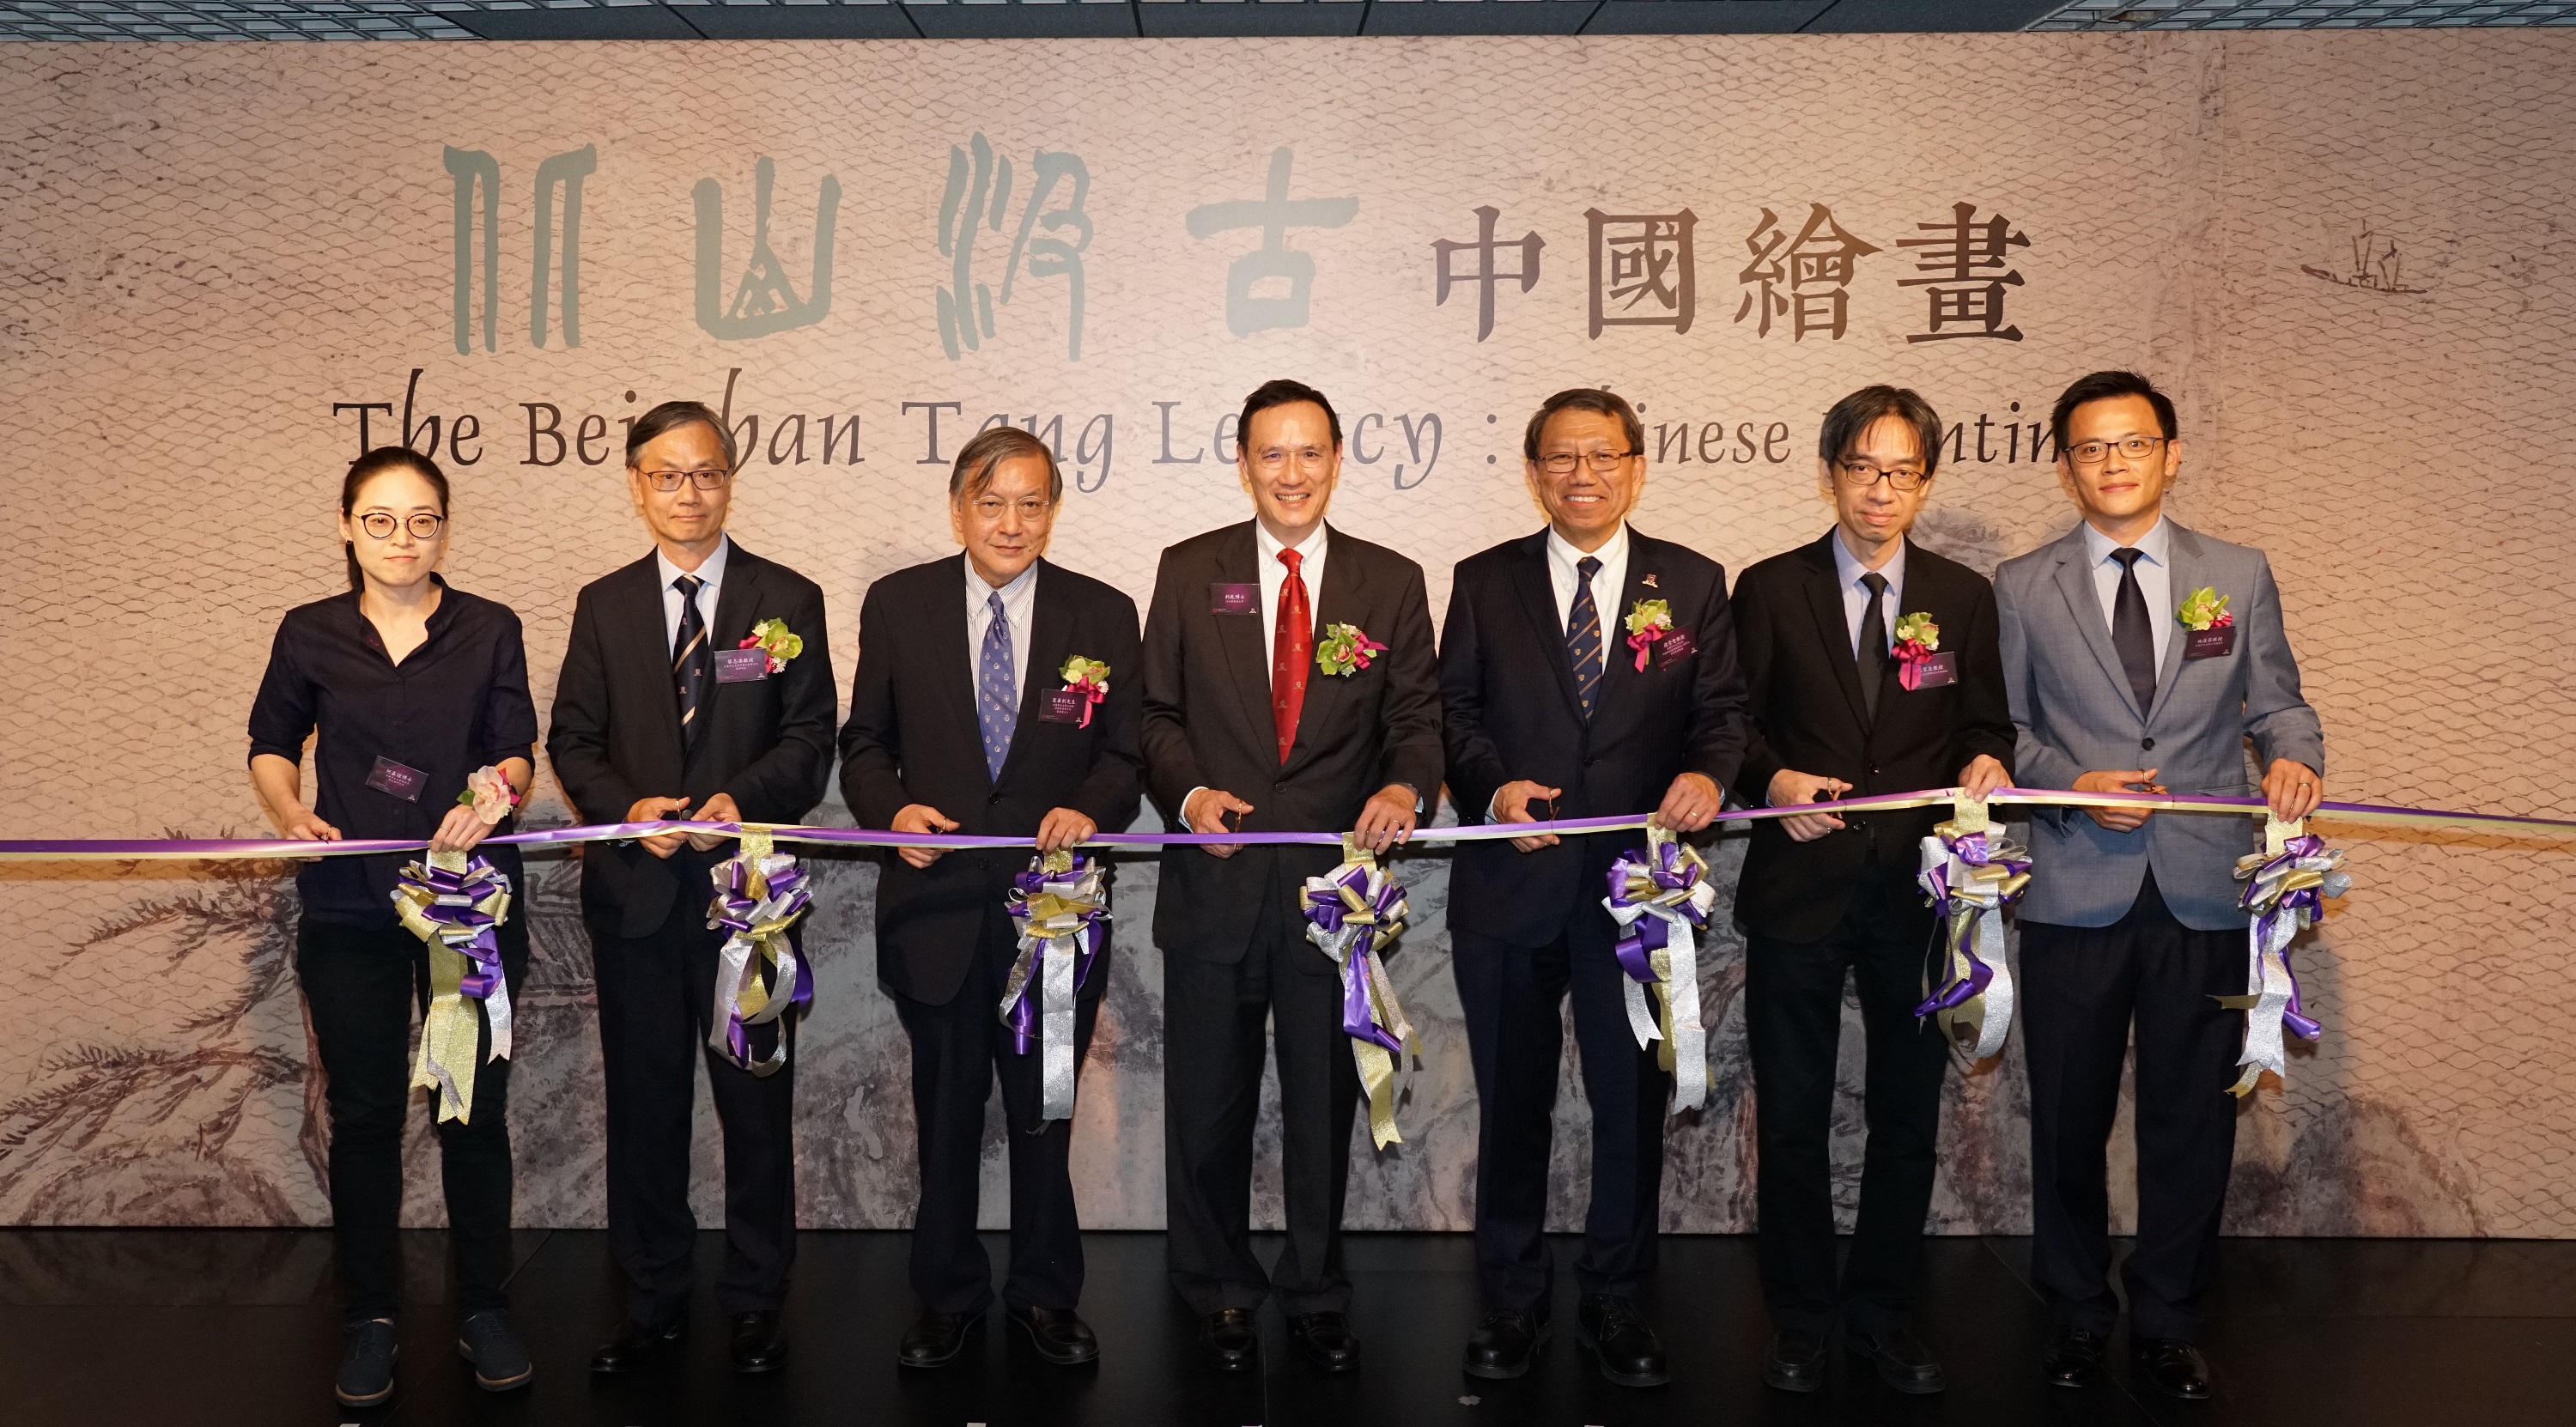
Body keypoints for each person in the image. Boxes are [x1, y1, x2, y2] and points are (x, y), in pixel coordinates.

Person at [1996, 370, 2324, 1400]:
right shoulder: (2019, 584)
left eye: (2133, 445)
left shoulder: (2236, 569)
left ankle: (2172, 1317)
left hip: (2202, 886)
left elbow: (2280, 702)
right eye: (2091, 449)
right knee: (2068, 1116)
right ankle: (2078, 1314)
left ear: (2170, 456)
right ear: (2065, 466)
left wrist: (2295, 757)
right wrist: (2070, 783)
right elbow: (1999, 735)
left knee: (2194, 1113)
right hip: (2073, 886)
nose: (2113, 464)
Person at [1437, 387, 1748, 1387]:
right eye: (1562, 457)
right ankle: (1514, 1304)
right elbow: (1454, 713)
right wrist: (1491, 788)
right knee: (1514, 1104)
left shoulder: (1693, 583)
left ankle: (1617, 1303)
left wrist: (1709, 775)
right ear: (1534, 472)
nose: (1583, 473)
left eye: (1603, 456)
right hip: (1510, 885)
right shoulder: (1484, 582)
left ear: (1635, 466)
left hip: (1634, 892)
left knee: (1630, 1105)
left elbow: (1722, 713)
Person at [1140, 379, 1443, 1375]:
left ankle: (1316, 1290)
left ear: (1338, 459)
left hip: (1332, 898)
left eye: (1309, 452)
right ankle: (1217, 1286)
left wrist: (1404, 786)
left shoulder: (1388, 582)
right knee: (1208, 1110)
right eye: (1272, 454)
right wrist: (1187, 799)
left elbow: (1415, 722)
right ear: (1242, 462)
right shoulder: (1189, 572)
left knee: (1323, 1108)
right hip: (1215, 888)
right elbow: (1155, 717)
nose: (1292, 473)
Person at [1726, 386, 2015, 1395]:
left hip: (1914, 897)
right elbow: (1732, 732)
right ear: (1830, 471)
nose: (1879, 491)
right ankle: (1802, 1317)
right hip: (1798, 888)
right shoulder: (1767, 589)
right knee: (1795, 1117)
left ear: (1926, 480)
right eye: (1861, 468)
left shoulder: (1962, 597)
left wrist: (1987, 767)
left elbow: (1989, 726)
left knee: (1906, 1115)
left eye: (1900, 472)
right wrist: (1771, 784)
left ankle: (1886, 1313)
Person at [838, 426, 1143, 1370]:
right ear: (959, 507)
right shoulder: (900, 604)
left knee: (1044, 1113)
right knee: (947, 1112)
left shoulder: (1103, 611)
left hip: (1051, 914)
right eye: (991, 501)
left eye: (1032, 502)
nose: (1012, 522)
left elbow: (1125, 757)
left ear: (1054, 508)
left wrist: (1085, 811)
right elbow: (863, 745)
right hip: (937, 913)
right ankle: (947, 1296)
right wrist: (893, 814)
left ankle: (1047, 1296)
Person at [547, 399, 837, 1376]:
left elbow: (809, 743)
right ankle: (652, 1299)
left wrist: (731, 799)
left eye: (706, 472)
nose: (688, 492)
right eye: (667, 475)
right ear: (637, 485)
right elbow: (572, 741)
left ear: (731, 478)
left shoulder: (786, 599)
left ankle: (758, 1301)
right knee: (645, 1108)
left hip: (744, 903)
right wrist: (629, 808)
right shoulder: (605, 604)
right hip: (635, 898)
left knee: (756, 1111)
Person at [246, 446, 538, 1406]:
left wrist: (495, 795)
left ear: (445, 529)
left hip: (469, 910)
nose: (403, 539)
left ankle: (484, 1309)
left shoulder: (490, 627)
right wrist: (290, 811)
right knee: (366, 1116)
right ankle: (369, 1317)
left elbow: (516, 752)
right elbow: (270, 744)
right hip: (351, 904)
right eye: (381, 519)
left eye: (422, 520)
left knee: (473, 1115)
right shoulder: (309, 632)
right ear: (346, 526)